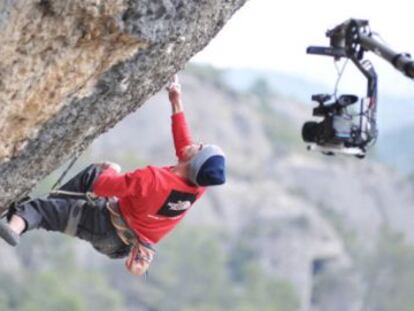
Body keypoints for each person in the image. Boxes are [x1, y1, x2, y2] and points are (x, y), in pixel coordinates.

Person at [0, 75, 226, 276]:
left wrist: (111, 169)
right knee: (61, 207)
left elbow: (101, 186)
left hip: (104, 224)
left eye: (200, 147)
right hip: (120, 246)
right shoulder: (196, 187)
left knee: (46, 207)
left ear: (193, 160)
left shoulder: (152, 179)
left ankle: (15, 226)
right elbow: (184, 146)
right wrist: (175, 99)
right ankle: (54, 209)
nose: (196, 143)